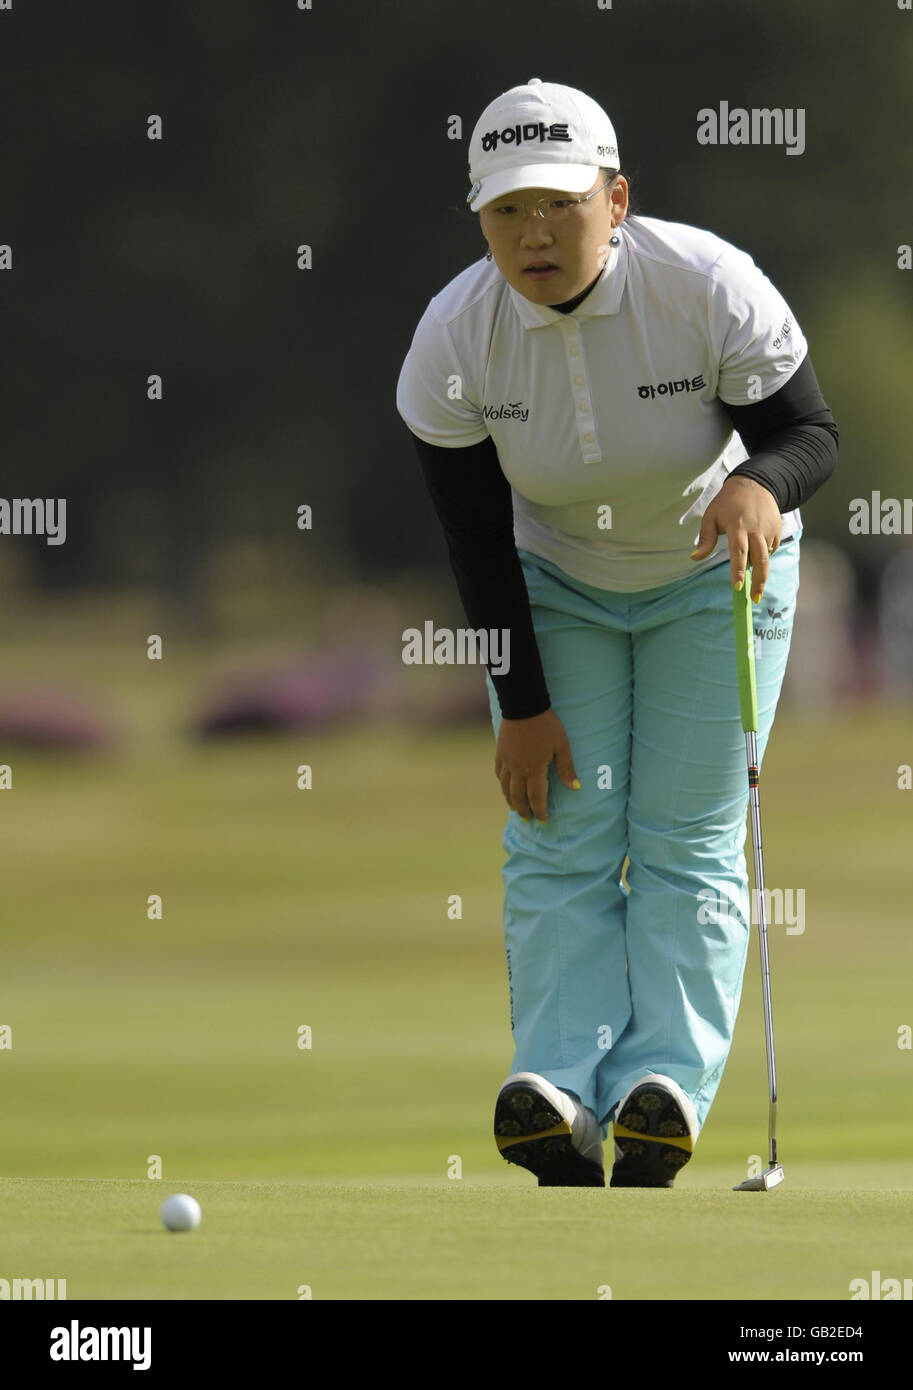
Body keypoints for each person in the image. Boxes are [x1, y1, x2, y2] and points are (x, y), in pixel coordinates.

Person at [395, 79, 837, 1188]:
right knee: (557, 832)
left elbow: (807, 432)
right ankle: (558, 1086)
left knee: (684, 837)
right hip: (553, 582)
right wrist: (524, 704)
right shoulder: (454, 339)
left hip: (710, 572)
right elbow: (476, 544)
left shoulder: (706, 286)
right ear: (480, 222)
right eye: (504, 211)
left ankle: (663, 1096)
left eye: (557, 203)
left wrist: (761, 490)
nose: (532, 232)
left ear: (617, 199)